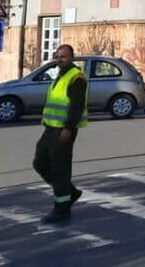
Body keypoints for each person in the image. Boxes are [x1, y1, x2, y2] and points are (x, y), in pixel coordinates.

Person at [32, 44, 88, 224]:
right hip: (50, 128)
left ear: (71, 57)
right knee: (40, 162)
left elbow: (76, 106)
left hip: (63, 130)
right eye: (57, 56)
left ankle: (62, 209)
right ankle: (70, 192)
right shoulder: (60, 75)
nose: (59, 59)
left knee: (60, 169)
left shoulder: (76, 78)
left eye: (63, 56)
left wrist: (69, 128)